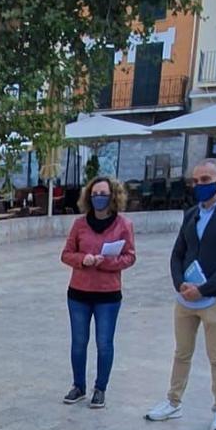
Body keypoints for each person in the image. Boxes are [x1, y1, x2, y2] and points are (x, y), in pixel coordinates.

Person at [146, 156, 216, 430]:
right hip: (186, 298)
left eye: (205, 180)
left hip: (215, 297)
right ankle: (173, 401)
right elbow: (178, 253)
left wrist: (203, 289)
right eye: (195, 180)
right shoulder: (192, 214)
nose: (199, 185)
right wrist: (180, 283)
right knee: (182, 352)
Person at [59, 173, 136, 408]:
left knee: (104, 343)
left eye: (103, 194)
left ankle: (100, 388)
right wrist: (84, 259)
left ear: (113, 196)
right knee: (79, 341)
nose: (98, 198)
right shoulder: (80, 224)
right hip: (79, 292)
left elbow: (130, 257)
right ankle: (78, 386)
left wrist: (106, 262)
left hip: (108, 295)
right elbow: (66, 254)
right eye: (94, 195)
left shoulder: (124, 225)